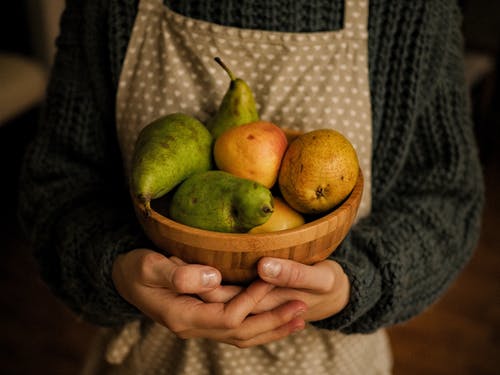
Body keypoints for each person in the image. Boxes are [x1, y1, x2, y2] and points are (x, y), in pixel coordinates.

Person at [18, 0, 484, 373]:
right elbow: (58, 184)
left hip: (332, 362)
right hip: (154, 359)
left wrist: (355, 283)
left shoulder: (410, 11)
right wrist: (116, 270)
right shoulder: (107, 9)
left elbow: (447, 198)